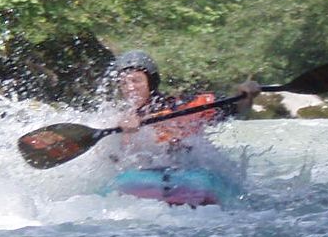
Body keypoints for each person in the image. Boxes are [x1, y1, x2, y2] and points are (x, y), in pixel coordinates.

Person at [103, 50, 261, 171]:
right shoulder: (122, 118)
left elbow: (237, 107)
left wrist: (245, 95)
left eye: (136, 80)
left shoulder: (181, 106)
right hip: (146, 174)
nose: (130, 87)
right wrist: (125, 132)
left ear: (151, 82)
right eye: (123, 83)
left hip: (186, 170)